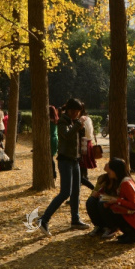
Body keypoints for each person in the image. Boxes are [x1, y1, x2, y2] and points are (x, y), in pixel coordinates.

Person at [37, 98, 91, 236]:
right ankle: (44, 220)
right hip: (65, 161)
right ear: (69, 110)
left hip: (75, 160)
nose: (76, 114)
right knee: (65, 192)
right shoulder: (63, 121)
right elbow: (66, 135)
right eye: (74, 112)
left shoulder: (74, 122)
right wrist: (78, 124)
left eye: (78, 112)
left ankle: (75, 219)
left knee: (76, 191)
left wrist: (81, 129)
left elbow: (77, 138)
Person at [85, 158, 135, 243]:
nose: (108, 171)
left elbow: (134, 205)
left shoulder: (126, 183)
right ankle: (106, 228)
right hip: (130, 211)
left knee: (110, 207)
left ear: (115, 171)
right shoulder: (114, 180)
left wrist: (116, 200)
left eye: (110, 169)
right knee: (94, 202)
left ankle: (130, 234)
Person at [78, 102, 97, 190]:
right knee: (83, 165)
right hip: (88, 142)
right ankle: (85, 177)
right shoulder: (88, 118)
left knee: (81, 166)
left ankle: (91, 186)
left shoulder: (81, 120)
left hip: (82, 144)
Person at [49, 105, 59, 179]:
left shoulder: (49, 120)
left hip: (51, 139)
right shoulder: (56, 119)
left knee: (50, 158)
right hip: (55, 139)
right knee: (51, 157)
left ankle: (53, 173)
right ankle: (53, 173)